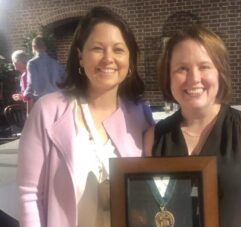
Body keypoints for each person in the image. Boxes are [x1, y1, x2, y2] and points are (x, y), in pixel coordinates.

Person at [17, 6, 153, 227]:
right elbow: (28, 194)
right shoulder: (48, 111)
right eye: (97, 48)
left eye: (118, 50)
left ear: (130, 59)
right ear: (81, 56)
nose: (108, 58)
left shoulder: (140, 113)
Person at [144, 24, 241, 227]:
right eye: (182, 69)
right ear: (168, 77)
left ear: (219, 71)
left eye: (204, 66)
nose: (194, 78)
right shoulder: (154, 137)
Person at [24, 35, 65, 102]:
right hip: (58, 96)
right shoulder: (55, 62)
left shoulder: (32, 63)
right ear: (45, 47)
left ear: (34, 47)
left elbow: (31, 82)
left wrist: (26, 93)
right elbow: (65, 76)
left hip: (43, 98)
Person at [11, 50, 32, 115]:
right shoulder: (31, 71)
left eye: (13, 61)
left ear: (18, 61)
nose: (13, 63)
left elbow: (29, 98)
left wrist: (28, 115)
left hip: (34, 109)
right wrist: (20, 96)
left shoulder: (25, 75)